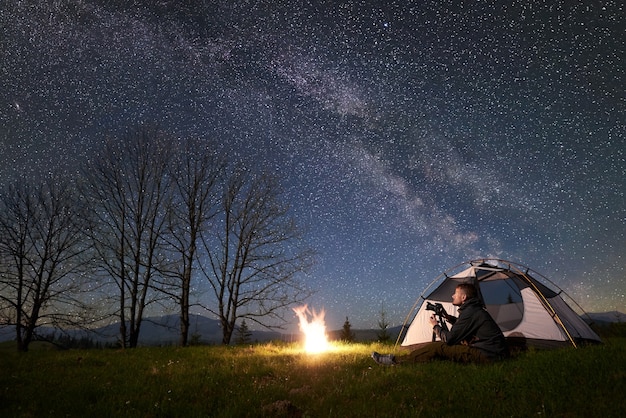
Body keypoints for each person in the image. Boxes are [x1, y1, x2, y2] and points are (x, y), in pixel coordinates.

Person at [371, 283, 508, 365]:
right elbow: (465, 326)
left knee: (438, 347)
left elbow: (449, 339)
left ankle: (395, 361)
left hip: (487, 355)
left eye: (455, 294)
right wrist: (448, 318)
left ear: (464, 297)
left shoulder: (470, 312)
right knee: (452, 346)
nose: (453, 296)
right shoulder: (473, 310)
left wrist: (435, 326)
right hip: (494, 352)